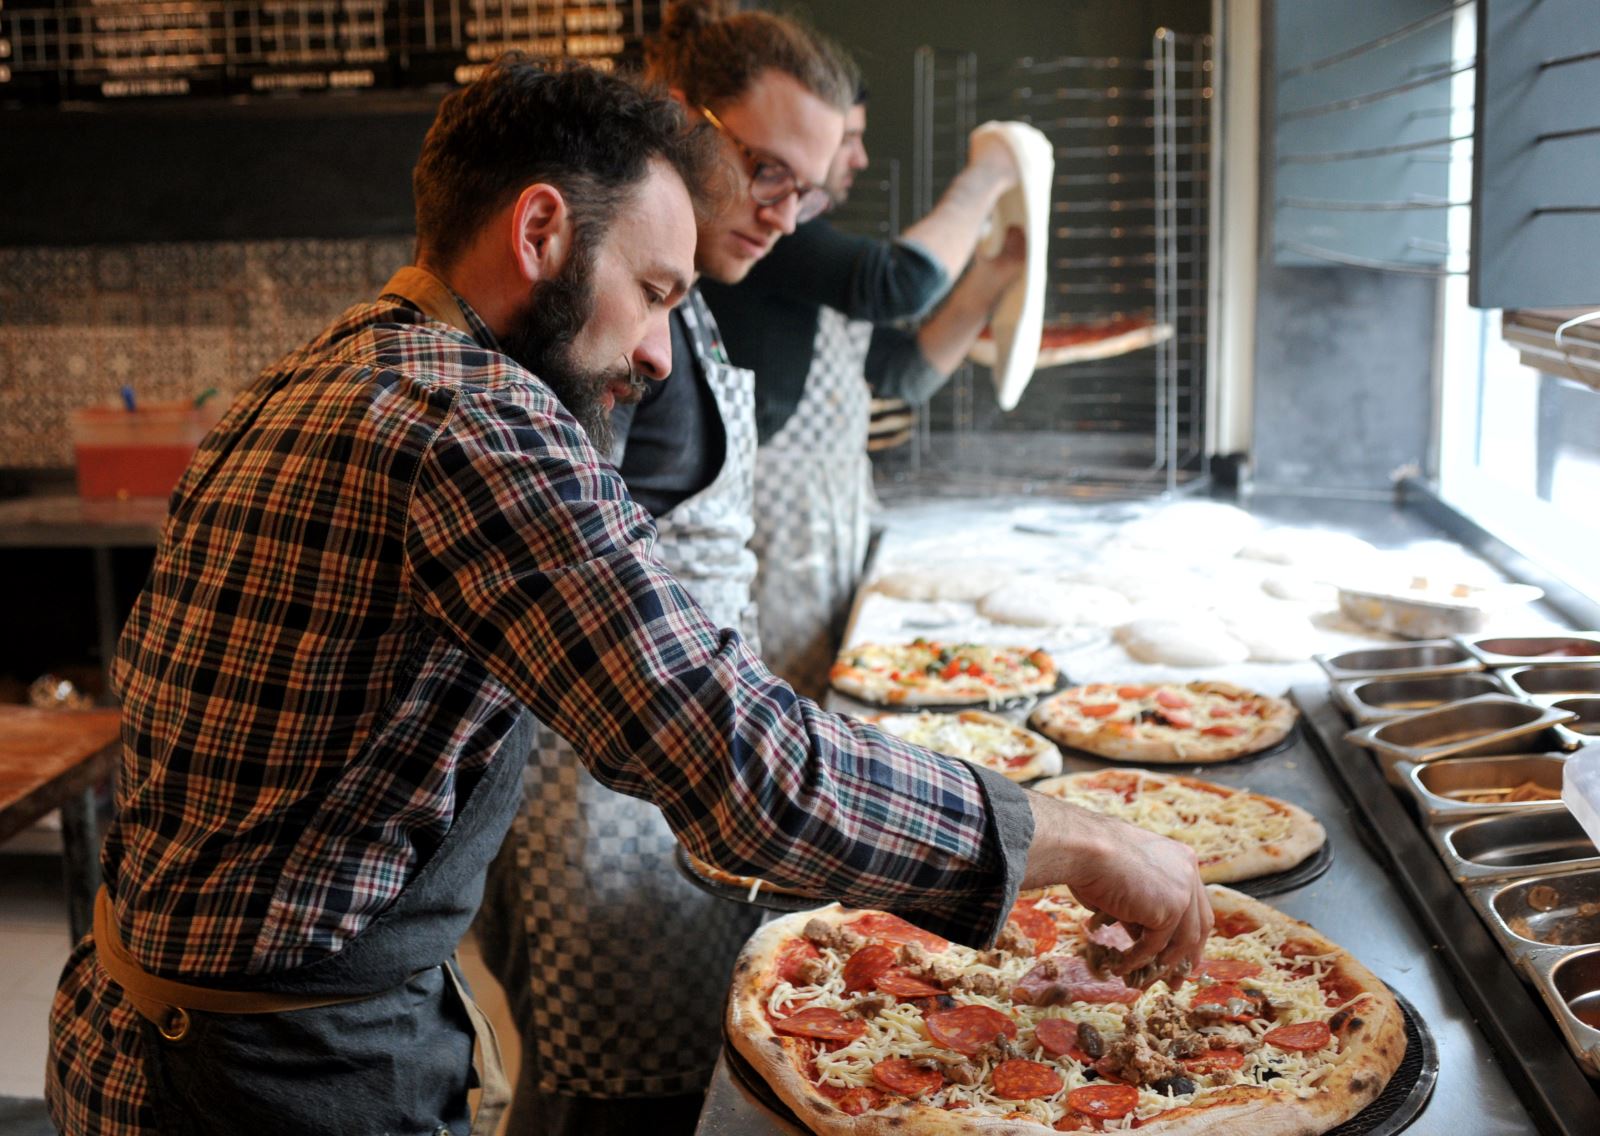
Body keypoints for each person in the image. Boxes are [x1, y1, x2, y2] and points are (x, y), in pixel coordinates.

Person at [49, 53, 1210, 1136]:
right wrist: (1082, 842)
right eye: (654, 291)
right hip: (265, 1081)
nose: (661, 352)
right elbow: (749, 766)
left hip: (140, 1027)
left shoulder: (324, 367)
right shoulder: (476, 423)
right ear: (542, 230)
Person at [474, 3, 858, 1132]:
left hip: (664, 785)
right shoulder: (594, 325)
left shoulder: (673, 312)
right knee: (605, 1103)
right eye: (765, 171)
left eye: (812, 190)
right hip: (595, 798)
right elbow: (582, 598)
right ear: (679, 124)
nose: (787, 217)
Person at [702, 86, 1032, 698]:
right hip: (766, 533)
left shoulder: (817, 251)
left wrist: (994, 277)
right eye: (845, 139)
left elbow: (906, 373)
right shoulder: (781, 237)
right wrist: (991, 172)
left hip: (829, 529)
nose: (857, 158)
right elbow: (898, 284)